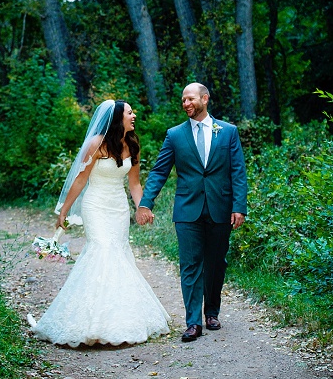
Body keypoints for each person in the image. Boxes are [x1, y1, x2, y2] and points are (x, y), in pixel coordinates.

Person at [27, 99, 170, 347]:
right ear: (117, 118)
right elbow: (81, 179)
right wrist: (64, 210)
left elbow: (134, 184)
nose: (134, 115)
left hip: (117, 208)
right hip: (96, 206)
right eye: (129, 112)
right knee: (102, 250)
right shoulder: (96, 144)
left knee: (118, 254)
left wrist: (143, 207)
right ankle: (87, 322)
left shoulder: (133, 145)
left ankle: (117, 320)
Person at [136, 83, 247, 343]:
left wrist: (239, 206)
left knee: (216, 263)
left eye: (190, 99)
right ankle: (193, 322)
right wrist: (146, 202)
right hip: (187, 210)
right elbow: (159, 171)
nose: (186, 103)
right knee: (190, 265)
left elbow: (238, 172)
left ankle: (212, 312)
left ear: (205, 99)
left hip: (220, 208)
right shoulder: (175, 135)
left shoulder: (228, 132)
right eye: (183, 100)